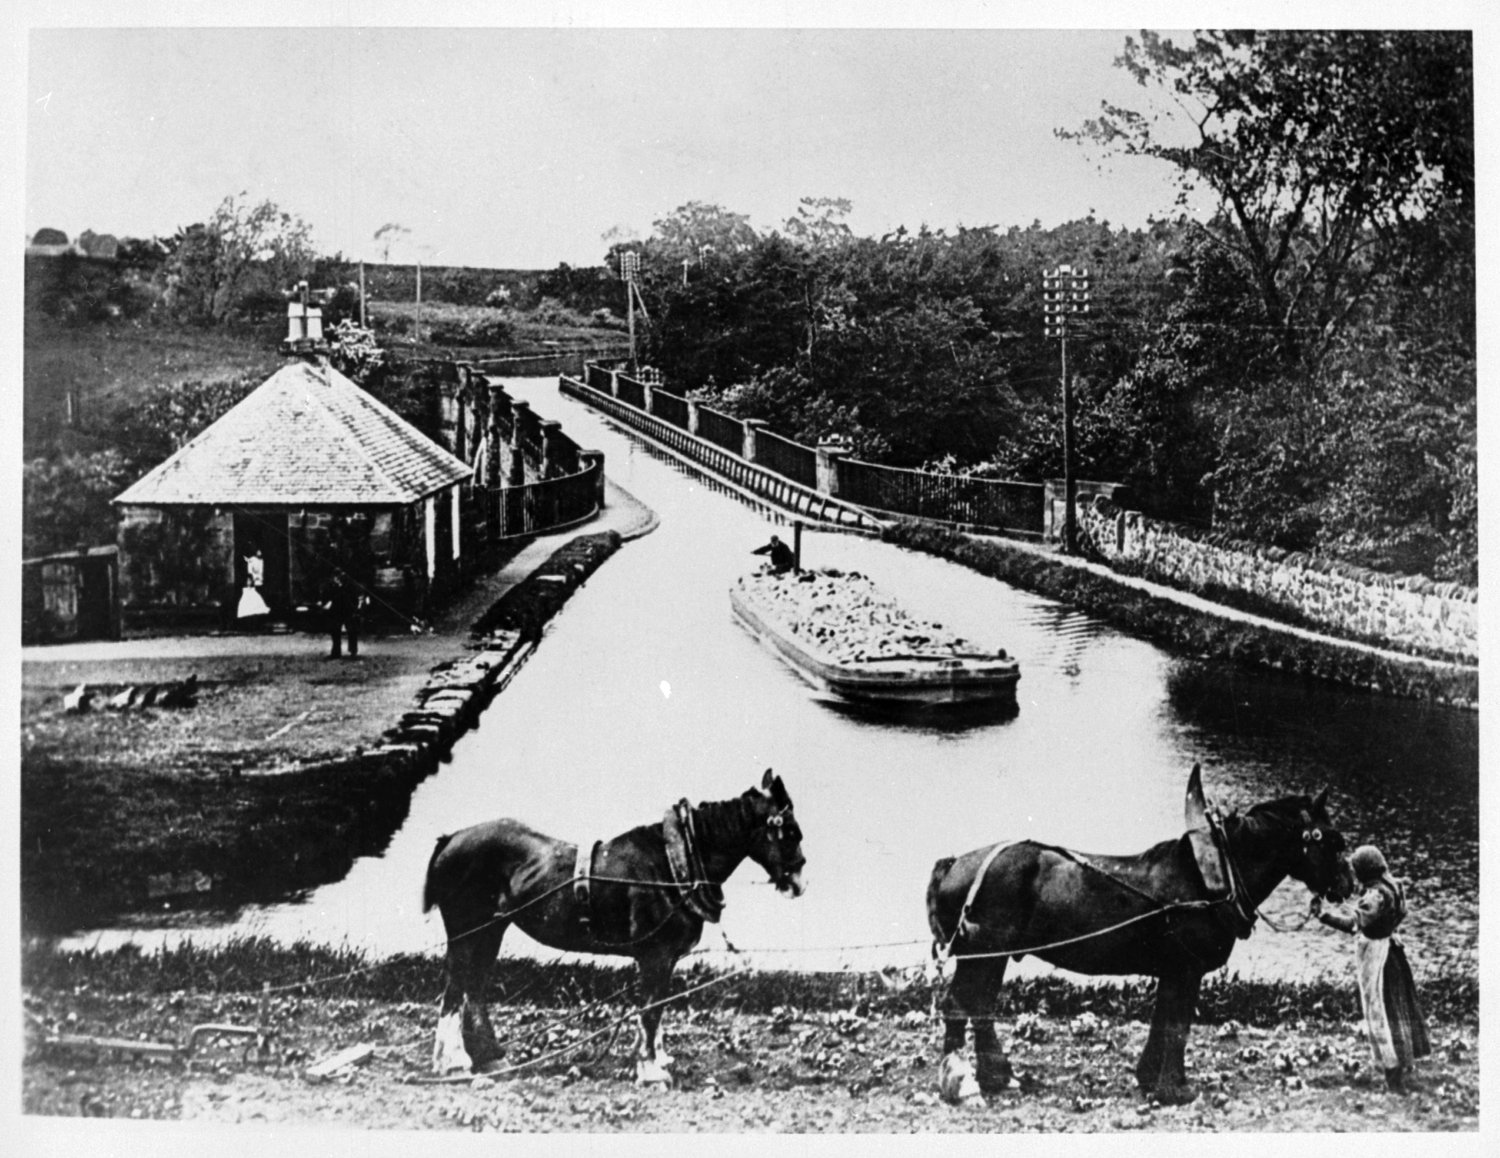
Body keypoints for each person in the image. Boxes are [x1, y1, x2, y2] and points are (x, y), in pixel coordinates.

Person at [1312, 845, 1432, 1093]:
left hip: (1376, 956)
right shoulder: (1393, 888)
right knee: (1397, 1008)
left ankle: (1392, 1071)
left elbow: (1354, 924)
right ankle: (1403, 1062)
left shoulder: (1374, 896)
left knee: (1379, 1009)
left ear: (1364, 871)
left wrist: (1323, 915)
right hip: (1393, 952)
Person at [321, 569, 366, 659]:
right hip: (336, 610)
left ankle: (353, 651)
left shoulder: (350, 584)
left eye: (337, 576)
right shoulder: (332, 585)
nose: (335, 578)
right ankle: (336, 652)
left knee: (352, 631)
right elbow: (327, 595)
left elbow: (357, 595)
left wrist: (357, 607)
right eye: (335, 577)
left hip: (348, 609)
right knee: (335, 631)